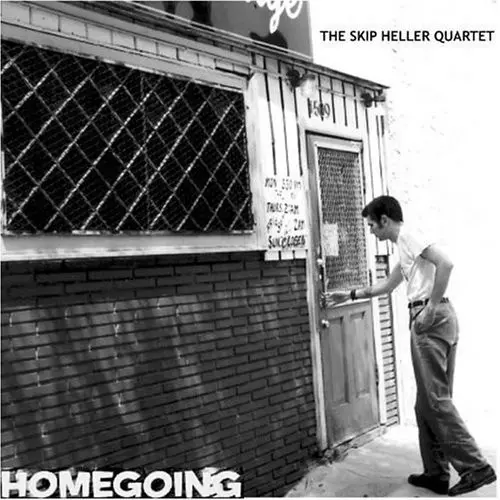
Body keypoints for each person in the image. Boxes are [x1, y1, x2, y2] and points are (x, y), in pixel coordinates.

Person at [322, 195, 496, 496]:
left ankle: (476, 467)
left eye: (372, 225)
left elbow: (446, 263)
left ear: (385, 220)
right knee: (426, 404)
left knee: (436, 400)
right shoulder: (404, 248)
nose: (371, 231)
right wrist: (348, 295)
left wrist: (430, 308)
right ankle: (436, 473)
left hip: (431, 319)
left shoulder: (408, 236)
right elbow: (386, 286)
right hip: (439, 319)